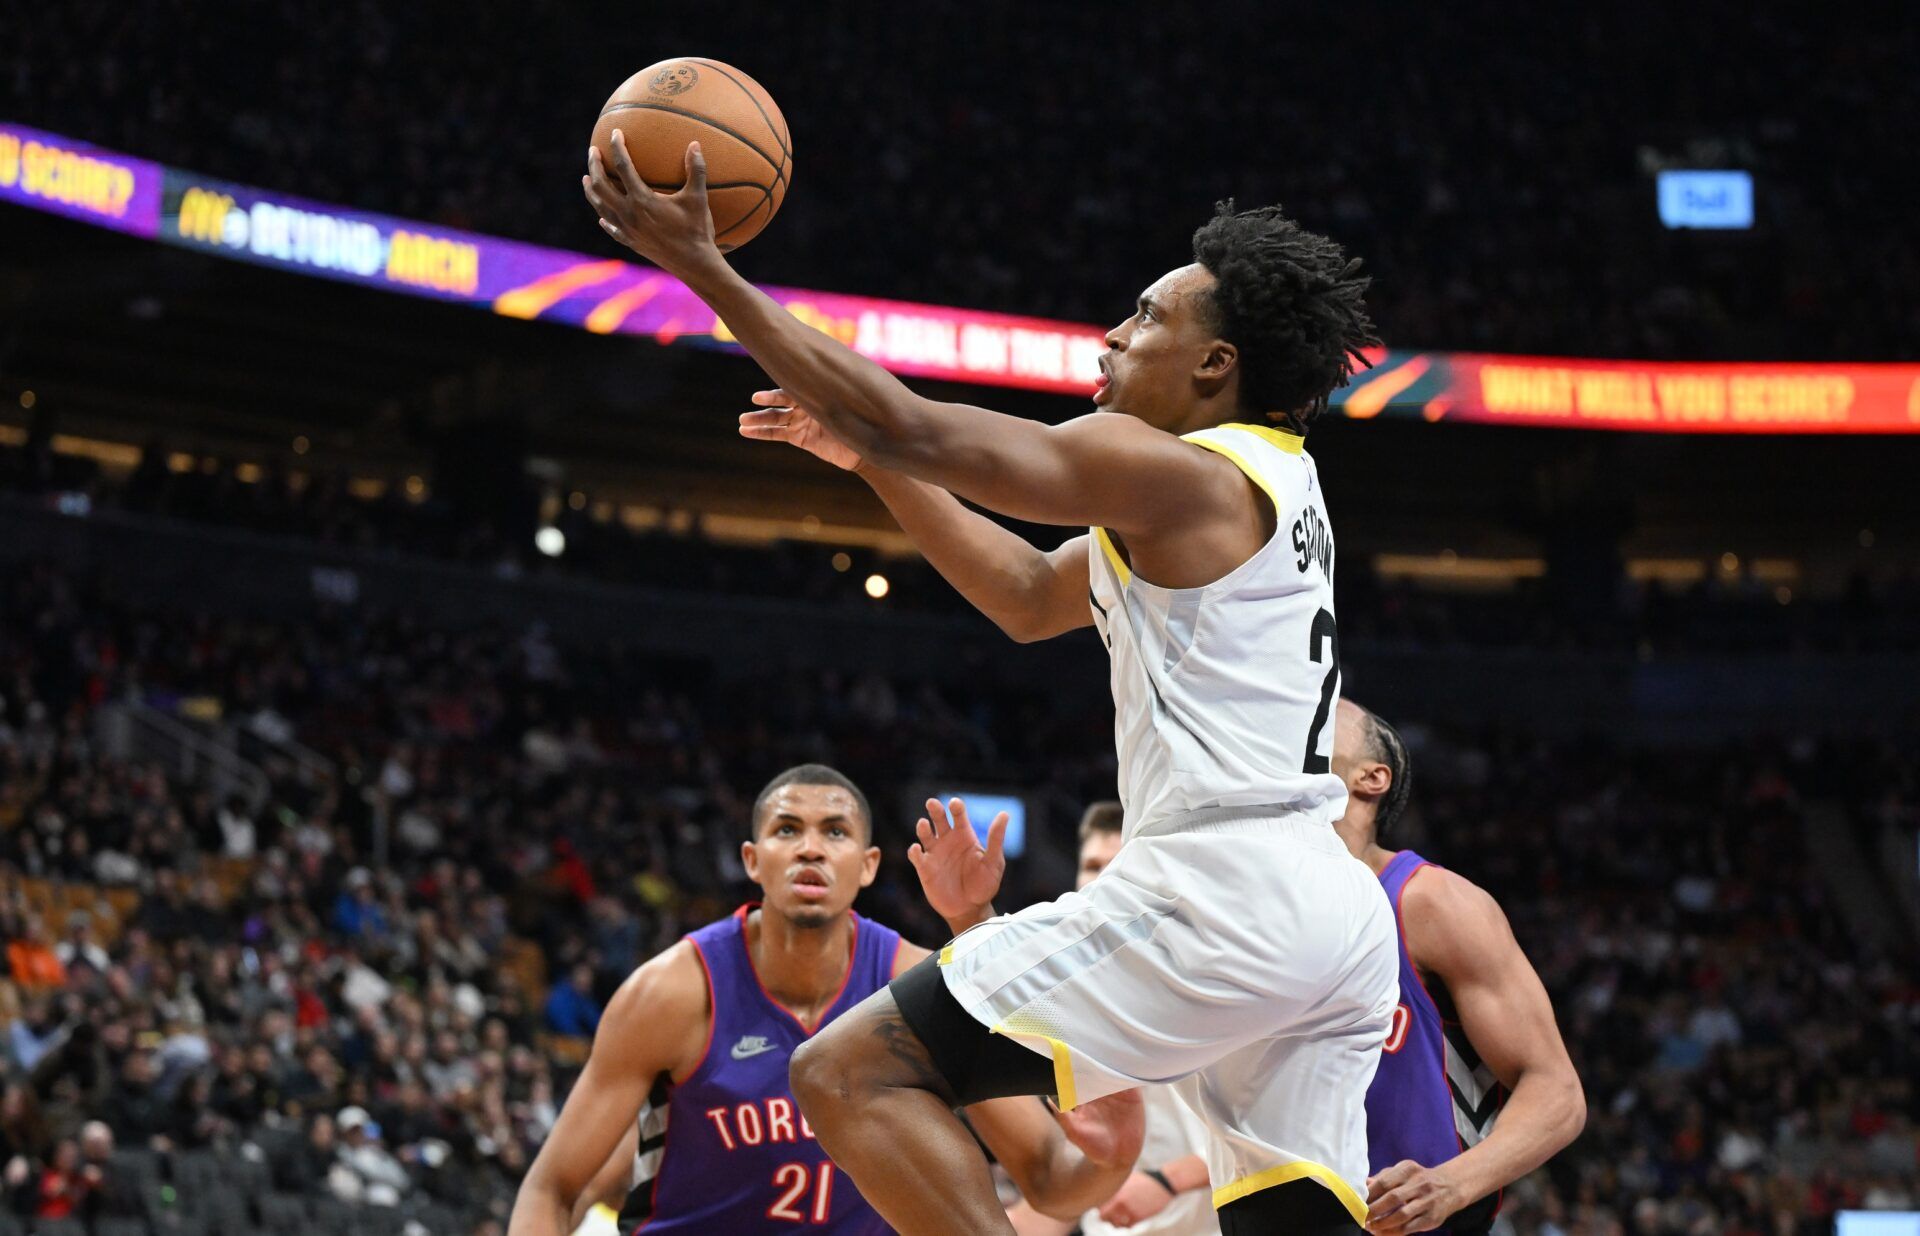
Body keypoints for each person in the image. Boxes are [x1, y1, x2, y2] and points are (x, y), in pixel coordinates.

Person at [584, 134, 1395, 1235]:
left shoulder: (1186, 474)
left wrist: (709, 271)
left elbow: (916, 424)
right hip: (1328, 914)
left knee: (849, 1074)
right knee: (1290, 1223)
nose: (1114, 334)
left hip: (1225, 890)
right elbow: (1021, 593)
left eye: (1150, 318)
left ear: (1217, 369)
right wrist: (871, 463)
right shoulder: (1250, 492)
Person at [507, 764, 1144, 1235]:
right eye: (789, 830)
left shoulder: (916, 985)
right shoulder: (671, 992)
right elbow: (553, 1187)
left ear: (868, 865)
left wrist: (1112, 1160)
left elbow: (1051, 1178)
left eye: (834, 832)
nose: (811, 846)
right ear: (753, 861)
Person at [1327, 700, 1585, 1235]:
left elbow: (1557, 1091)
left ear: (1371, 778)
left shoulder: (1430, 903)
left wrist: (1451, 1184)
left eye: (1321, 715)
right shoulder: (1255, 918)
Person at [919, 800, 1220, 1236]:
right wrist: (965, 917)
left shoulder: (1214, 986)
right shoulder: (1066, 994)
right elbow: (1059, 1170)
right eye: (1092, 866)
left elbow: (1272, 1140)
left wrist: (1167, 1180)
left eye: (1118, 866)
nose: (1102, 882)